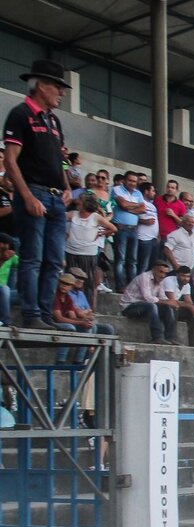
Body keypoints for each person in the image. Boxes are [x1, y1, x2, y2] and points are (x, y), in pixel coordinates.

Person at [3, 59, 73, 328]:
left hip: (56, 197)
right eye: (58, 86)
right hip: (34, 192)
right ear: (42, 85)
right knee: (33, 257)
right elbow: (10, 160)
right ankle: (32, 315)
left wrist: (67, 187)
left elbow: (60, 160)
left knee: (54, 260)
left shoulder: (54, 121)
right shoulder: (20, 114)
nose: (62, 93)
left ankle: (45, 314)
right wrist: (27, 196)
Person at [65, 193, 115, 308]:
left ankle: (87, 308)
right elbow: (60, 218)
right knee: (69, 279)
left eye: (80, 200)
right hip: (70, 251)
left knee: (88, 282)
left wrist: (102, 233)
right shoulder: (73, 214)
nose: (77, 202)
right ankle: (70, 306)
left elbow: (113, 228)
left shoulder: (96, 217)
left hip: (88, 253)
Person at [120, 261, 176, 344]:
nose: (163, 275)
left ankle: (170, 337)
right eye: (160, 272)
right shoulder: (144, 277)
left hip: (144, 307)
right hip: (129, 307)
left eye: (165, 273)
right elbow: (148, 298)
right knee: (152, 306)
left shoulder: (160, 281)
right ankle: (157, 337)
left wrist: (170, 303)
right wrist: (167, 302)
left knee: (167, 308)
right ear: (153, 270)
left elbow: (162, 297)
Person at [110, 170, 146, 291]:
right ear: (124, 180)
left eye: (134, 181)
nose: (132, 183)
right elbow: (123, 204)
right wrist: (133, 206)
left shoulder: (138, 193)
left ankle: (131, 288)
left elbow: (143, 209)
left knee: (133, 260)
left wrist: (128, 207)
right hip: (121, 228)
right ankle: (120, 286)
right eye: (130, 180)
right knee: (120, 259)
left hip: (134, 229)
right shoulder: (117, 189)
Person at [159, 265, 194, 347]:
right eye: (183, 276)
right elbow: (171, 300)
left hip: (173, 307)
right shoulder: (169, 280)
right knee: (174, 306)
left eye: (188, 276)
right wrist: (191, 306)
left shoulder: (187, 285)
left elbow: (188, 301)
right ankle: (171, 338)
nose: (185, 278)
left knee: (192, 313)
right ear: (177, 275)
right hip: (162, 306)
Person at [135, 182, 161, 277]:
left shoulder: (152, 205)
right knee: (143, 265)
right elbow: (133, 217)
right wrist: (143, 221)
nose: (154, 193)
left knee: (151, 265)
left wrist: (158, 235)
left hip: (153, 238)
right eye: (153, 191)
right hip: (143, 238)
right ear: (146, 191)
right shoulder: (139, 202)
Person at [0, 233, 19, 326]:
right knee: (5, 289)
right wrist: (2, 260)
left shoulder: (10, 256)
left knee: (27, 294)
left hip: (5, 294)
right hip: (3, 290)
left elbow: (25, 265)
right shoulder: (5, 257)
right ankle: (5, 322)